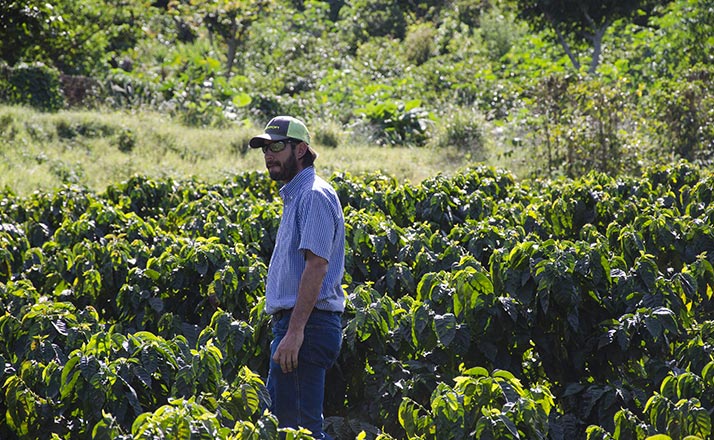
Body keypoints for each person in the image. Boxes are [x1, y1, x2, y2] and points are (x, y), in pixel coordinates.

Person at [249, 116, 345, 439]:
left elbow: (316, 266)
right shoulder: (296, 196)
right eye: (265, 149)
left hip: (307, 326)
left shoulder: (313, 195)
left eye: (277, 147)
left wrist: (294, 331)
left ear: (301, 149)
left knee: (300, 432)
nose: (269, 155)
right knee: (283, 428)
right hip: (298, 327)